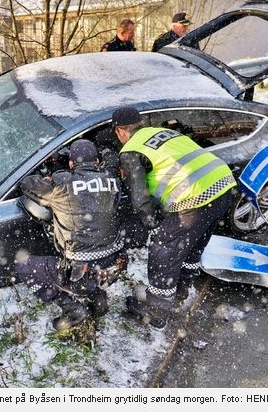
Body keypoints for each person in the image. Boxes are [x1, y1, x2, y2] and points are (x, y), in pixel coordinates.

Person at [111, 106, 239, 329]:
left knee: (164, 249)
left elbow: (139, 197)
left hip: (194, 198)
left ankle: (157, 311)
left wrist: (152, 225)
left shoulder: (131, 150)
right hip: (223, 186)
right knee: (194, 242)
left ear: (120, 131)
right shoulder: (166, 133)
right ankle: (182, 289)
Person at [16, 139, 127, 332]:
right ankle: (97, 299)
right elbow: (112, 163)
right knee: (91, 275)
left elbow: (27, 184)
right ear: (97, 161)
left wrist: (51, 177)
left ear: (70, 164)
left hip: (78, 271)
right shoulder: (111, 178)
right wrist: (108, 152)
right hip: (112, 264)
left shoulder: (62, 184)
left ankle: (72, 308)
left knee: (23, 265)